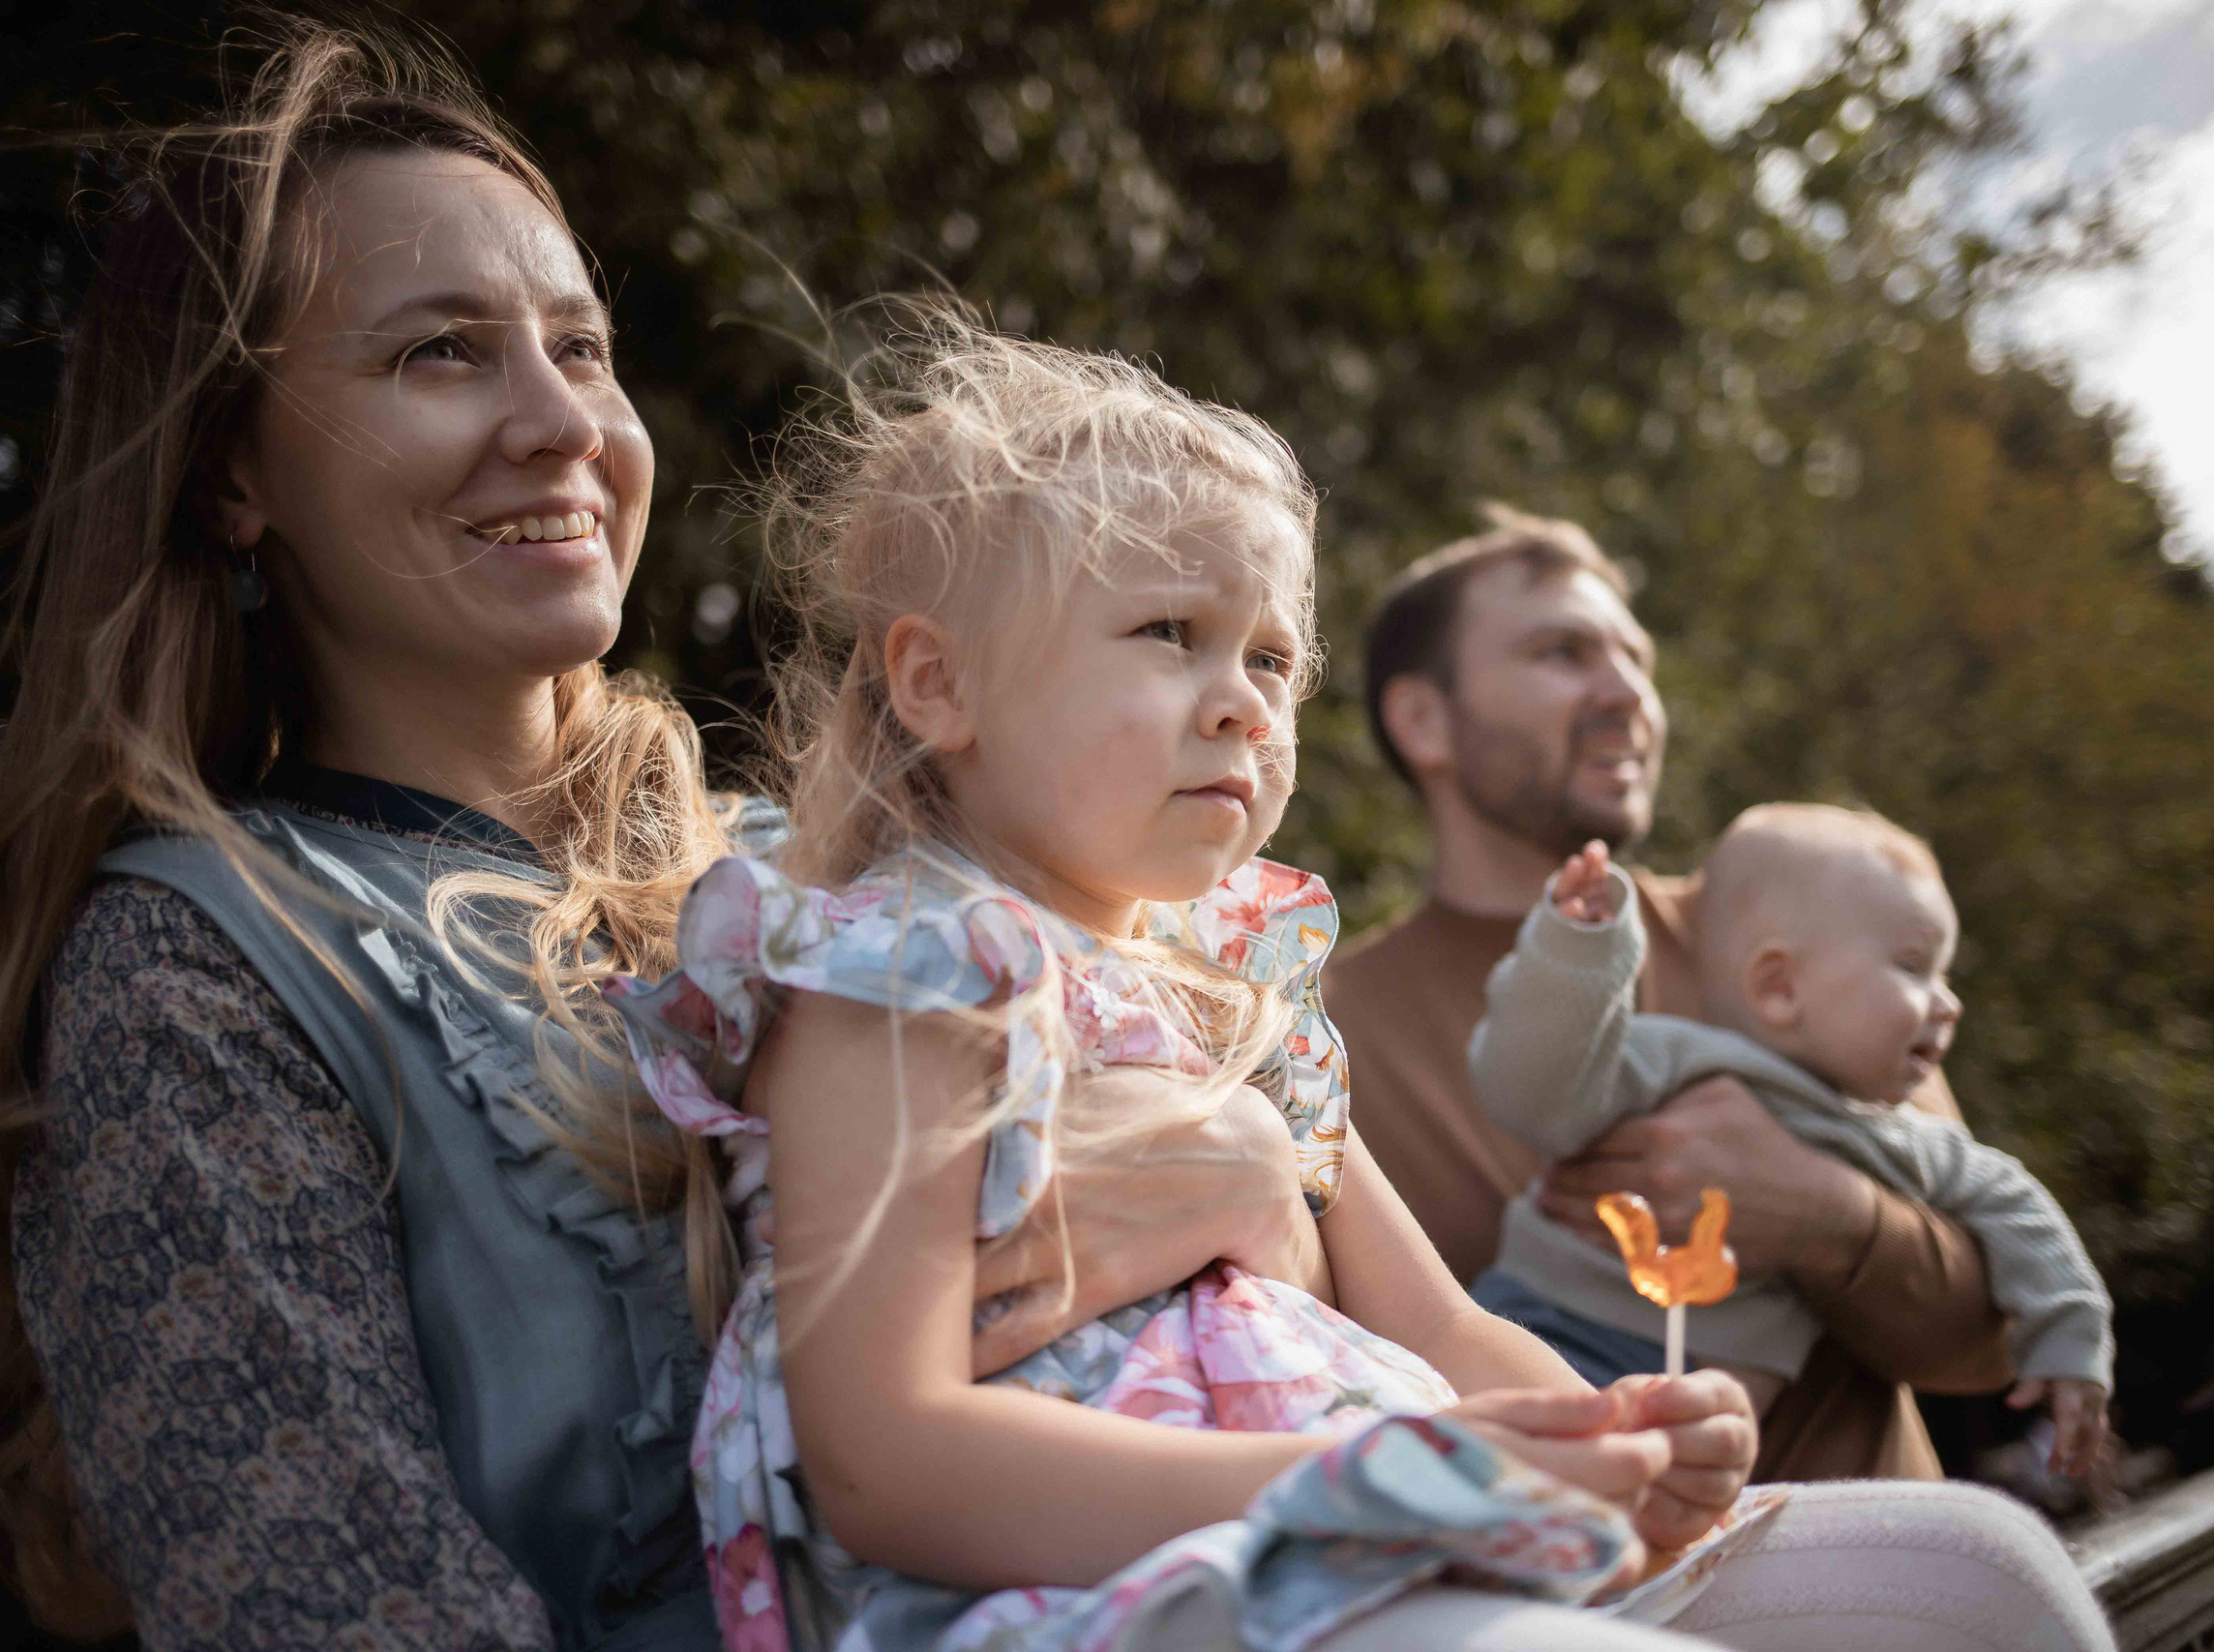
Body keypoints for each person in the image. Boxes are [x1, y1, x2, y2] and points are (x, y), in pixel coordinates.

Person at [0, 27, 1327, 1648]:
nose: (564, 422)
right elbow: (333, 1608)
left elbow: (1273, 1350)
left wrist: (1259, 1166)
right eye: (441, 354)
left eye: (582, 345)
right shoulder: (202, 959)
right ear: (230, 474)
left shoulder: (834, 872)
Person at [600, 320, 2118, 1652]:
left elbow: (1448, 1334)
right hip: (1104, 1588)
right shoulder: (902, 971)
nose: (1243, 703)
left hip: (1378, 1526)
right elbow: (890, 1461)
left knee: (1984, 1571)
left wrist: (1609, 1433)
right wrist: (1384, 1485)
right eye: (1169, 634)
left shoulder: (1246, 989)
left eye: (1271, 658)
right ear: (940, 684)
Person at [1321, 506, 2017, 1482]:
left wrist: (1828, 1212)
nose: (1628, 694)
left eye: (1634, 659)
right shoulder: (1321, 1032)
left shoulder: (1791, 951)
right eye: (1562, 652)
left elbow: (1996, 1338)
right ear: (1422, 720)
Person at [1469, 816, 2113, 1477]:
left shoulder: (1904, 1138)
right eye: (1915, 966)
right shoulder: (1670, 1056)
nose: (1949, 1003)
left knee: (1606, 1500)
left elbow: (2018, 1207)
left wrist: (2070, 1344)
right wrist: (1576, 956)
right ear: (1780, 986)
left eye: (1945, 975)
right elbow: (1527, 1094)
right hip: (1533, 1324)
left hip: (1685, 1405)